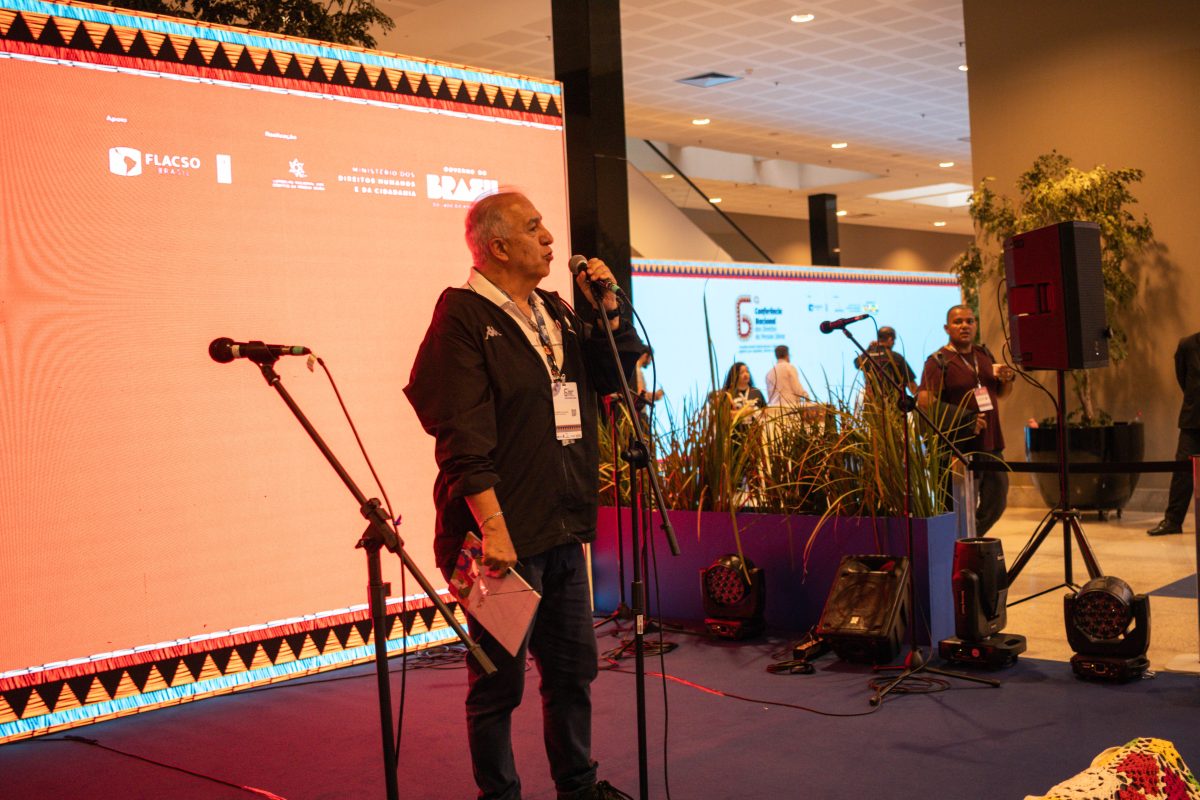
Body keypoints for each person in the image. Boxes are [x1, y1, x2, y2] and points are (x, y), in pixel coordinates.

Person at [404, 191, 638, 800]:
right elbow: (460, 434)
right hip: (498, 541)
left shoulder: (555, 311)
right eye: (534, 228)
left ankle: (578, 787)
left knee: (573, 672)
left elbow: (614, 380)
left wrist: (609, 312)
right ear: (499, 246)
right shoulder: (461, 316)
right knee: (498, 685)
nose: (549, 238)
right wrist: (493, 528)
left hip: (560, 530)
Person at [917, 305, 1016, 536]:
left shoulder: (984, 355)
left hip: (991, 444)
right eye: (958, 322)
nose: (964, 326)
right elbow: (924, 401)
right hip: (958, 449)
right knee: (959, 509)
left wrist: (1008, 379)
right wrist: (965, 419)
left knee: (996, 502)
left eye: (969, 321)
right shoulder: (938, 361)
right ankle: (960, 544)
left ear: (975, 325)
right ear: (947, 328)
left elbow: (1001, 394)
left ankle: (968, 540)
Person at [1147, 331, 1200, 536]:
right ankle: (1172, 521)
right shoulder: (1188, 345)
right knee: (1182, 472)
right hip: (1193, 418)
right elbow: (1183, 378)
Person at [855, 326, 918, 398]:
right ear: (890, 339)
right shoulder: (896, 357)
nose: (894, 343)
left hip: (873, 402)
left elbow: (857, 362)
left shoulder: (867, 357)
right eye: (894, 340)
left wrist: (868, 349)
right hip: (895, 401)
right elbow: (911, 384)